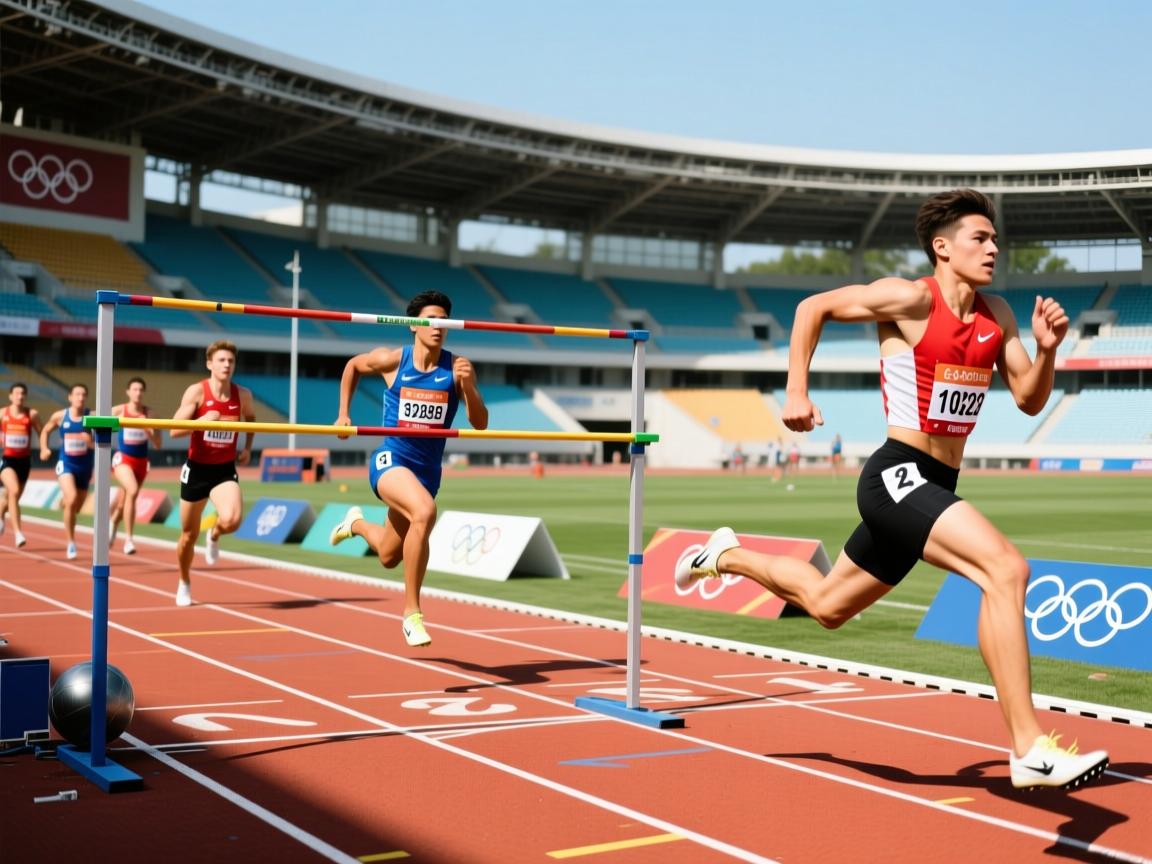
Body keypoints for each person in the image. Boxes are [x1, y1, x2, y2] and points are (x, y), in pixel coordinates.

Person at [676, 188, 1108, 791]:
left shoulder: (998, 315)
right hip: (897, 474)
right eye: (979, 238)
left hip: (936, 485)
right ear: (942, 247)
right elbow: (811, 308)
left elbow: (1031, 398)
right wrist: (795, 391)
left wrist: (1046, 349)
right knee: (1005, 570)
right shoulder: (908, 299)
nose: (993, 248)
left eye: (994, 239)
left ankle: (721, 554)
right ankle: (1029, 747)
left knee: (826, 607)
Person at [330, 290, 488, 647]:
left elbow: (479, 423)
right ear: (414, 326)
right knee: (425, 512)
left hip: (426, 473)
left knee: (388, 554)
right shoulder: (391, 361)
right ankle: (411, 615)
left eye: (444, 322)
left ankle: (354, 523)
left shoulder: (457, 367)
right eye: (431, 320)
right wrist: (343, 413)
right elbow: (353, 366)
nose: (438, 327)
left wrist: (469, 388)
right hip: (391, 462)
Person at [170, 341, 255, 606]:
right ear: (209, 364)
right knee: (187, 536)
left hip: (223, 470)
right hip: (196, 470)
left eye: (231, 361)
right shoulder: (196, 392)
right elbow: (173, 429)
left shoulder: (243, 395)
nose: (227, 365)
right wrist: (201, 422)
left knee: (232, 519)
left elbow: (251, 420)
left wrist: (248, 448)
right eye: (221, 360)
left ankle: (215, 534)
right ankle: (184, 581)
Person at [39, 384, 94, 560]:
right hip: (66, 464)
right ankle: (71, 543)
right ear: (70, 397)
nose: (81, 397)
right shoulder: (60, 416)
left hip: (85, 467)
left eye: (84, 394)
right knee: (71, 501)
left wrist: (89, 442)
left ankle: (66, 503)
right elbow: (45, 430)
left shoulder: (91, 416)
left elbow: (101, 441)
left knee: (76, 506)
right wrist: (44, 448)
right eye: (77, 394)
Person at [109, 377, 162, 555]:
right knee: (132, 491)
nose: (138, 393)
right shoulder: (119, 410)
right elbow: (96, 417)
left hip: (141, 462)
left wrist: (148, 429)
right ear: (128, 392)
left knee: (126, 500)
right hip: (123, 459)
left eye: (141, 390)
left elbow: (158, 444)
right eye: (134, 389)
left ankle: (113, 521)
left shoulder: (150, 413)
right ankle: (129, 540)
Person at [0, 382, 43, 548]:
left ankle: (0, 516)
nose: (20, 396)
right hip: (6, 460)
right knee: (14, 490)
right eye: (16, 393)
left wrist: (44, 448)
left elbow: (42, 432)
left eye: (23, 393)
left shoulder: (31, 414)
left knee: (13, 497)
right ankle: (18, 533)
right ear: (10, 396)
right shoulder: (3, 413)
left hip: (24, 462)